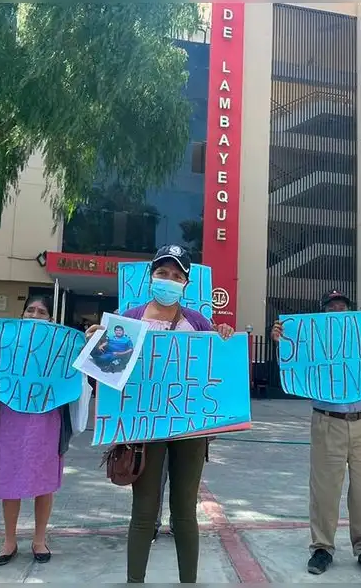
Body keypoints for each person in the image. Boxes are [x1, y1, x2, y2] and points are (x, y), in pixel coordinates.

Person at [85, 244, 233, 583]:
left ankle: (188, 581)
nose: (168, 280)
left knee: (184, 513)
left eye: (177, 275)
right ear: (151, 276)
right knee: (144, 511)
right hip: (144, 431)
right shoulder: (129, 320)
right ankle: (135, 580)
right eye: (162, 273)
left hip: (190, 432)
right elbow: (105, 379)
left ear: (186, 283)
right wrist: (97, 345)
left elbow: (218, 370)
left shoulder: (198, 323)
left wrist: (223, 336)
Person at [270, 291, 361, 579]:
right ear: (324, 314)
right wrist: (283, 344)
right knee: (324, 490)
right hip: (327, 421)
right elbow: (296, 372)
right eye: (332, 307)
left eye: (342, 307)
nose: (338, 310)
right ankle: (322, 547)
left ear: (350, 313)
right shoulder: (314, 343)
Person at [0, 294, 77, 566]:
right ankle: (9, 541)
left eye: (41, 312)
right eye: (29, 310)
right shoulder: (6, 344)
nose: (34, 315)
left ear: (51, 320)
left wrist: (93, 341)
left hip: (47, 421)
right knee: (9, 481)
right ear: (21, 315)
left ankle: (39, 539)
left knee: (44, 483)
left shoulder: (60, 348)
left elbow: (86, 369)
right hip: (9, 419)